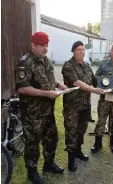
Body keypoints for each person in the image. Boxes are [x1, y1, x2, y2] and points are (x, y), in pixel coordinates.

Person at [15, 31, 65, 184]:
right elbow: (22, 88)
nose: (45, 49)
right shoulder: (25, 63)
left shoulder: (46, 60)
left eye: (47, 46)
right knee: (32, 143)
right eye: (42, 46)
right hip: (32, 113)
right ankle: (32, 172)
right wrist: (46, 93)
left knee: (52, 138)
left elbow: (50, 75)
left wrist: (58, 84)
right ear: (33, 45)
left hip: (47, 111)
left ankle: (49, 165)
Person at [61, 41, 103, 172]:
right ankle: (71, 159)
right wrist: (94, 90)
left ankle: (78, 151)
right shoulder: (68, 66)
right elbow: (78, 83)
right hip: (72, 107)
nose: (82, 52)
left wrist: (108, 83)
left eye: (83, 50)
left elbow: (96, 81)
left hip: (85, 106)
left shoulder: (87, 66)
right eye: (79, 49)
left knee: (81, 131)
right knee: (71, 132)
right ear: (73, 51)